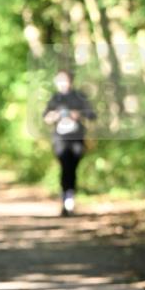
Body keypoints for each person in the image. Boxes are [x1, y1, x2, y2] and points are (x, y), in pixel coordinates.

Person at [43, 69, 96, 215]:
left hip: (77, 139)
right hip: (60, 139)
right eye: (59, 80)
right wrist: (54, 116)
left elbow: (92, 115)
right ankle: (67, 200)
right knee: (65, 166)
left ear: (71, 81)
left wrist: (78, 114)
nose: (62, 83)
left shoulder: (79, 97)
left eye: (65, 80)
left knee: (72, 168)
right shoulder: (55, 99)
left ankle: (69, 198)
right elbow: (46, 117)